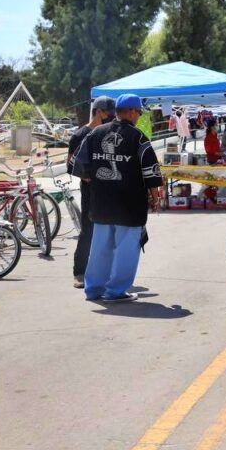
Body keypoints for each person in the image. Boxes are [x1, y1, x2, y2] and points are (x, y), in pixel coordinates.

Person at [73, 93, 163, 303]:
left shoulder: (95, 134)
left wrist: (97, 183)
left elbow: (78, 164)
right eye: (139, 112)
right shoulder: (138, 138)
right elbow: (150, 172)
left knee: (100, 248)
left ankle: (93, 289)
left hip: (102, 204)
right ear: (131, 111)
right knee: (126, 250)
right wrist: (155, 197)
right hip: (129, 206)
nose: (139, 116)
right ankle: (115, 291)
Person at [66, 95, 115, 289]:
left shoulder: (109, 134)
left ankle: (106, 271)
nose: (111, 118)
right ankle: (80, 272)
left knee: (109, 231)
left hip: (109, 188)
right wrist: (87, 177)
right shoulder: (79, 135)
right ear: (98, 112)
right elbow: (70, 165)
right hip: (90, 190)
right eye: (108, 114)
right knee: (88, 230)